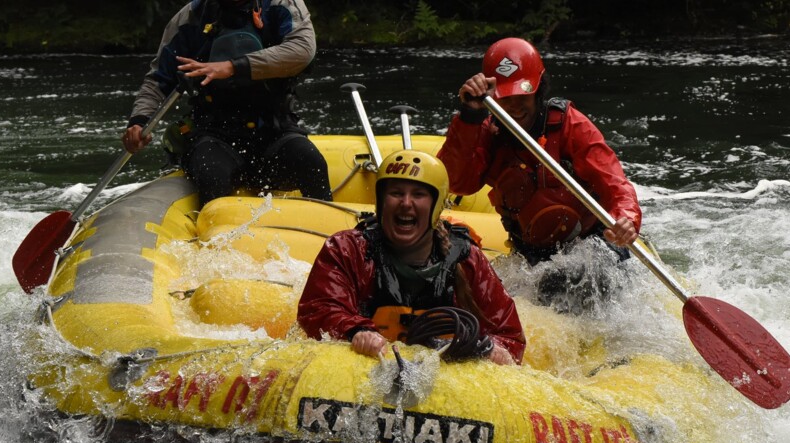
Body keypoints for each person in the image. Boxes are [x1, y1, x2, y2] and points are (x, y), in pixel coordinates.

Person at [437, 38, 641, 310]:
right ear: (492, 95)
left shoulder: (569, 123)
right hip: (533, 255)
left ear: (539, 88)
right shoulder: (484, 131)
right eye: (506, 97)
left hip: (592, 243)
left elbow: (615, 183)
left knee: (570, 280)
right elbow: (456, 183)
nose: (515, 105)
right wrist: (469, 117)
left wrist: (626, 218)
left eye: (524, 94)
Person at [297, 150, 526, 365]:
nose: (406, 203)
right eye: (396, 193)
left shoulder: (466, 260)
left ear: (436, 207)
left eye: (418, 195)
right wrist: (356, 331)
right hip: (365, 369)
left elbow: (510, 336)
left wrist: (488, 349)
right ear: (381, 202)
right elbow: (319, 309)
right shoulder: (348, 249)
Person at [121, 0, 332, 205]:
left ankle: (335, 237)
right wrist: (139, 121)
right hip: (215, 132)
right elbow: (158, 80)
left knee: (312, 164)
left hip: (275, 129)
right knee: (211, 175)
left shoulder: (281, 5)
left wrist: (232, 67)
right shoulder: (191, 16)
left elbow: (303, 50)